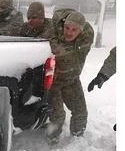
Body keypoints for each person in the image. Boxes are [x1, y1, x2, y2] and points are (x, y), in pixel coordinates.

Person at [40, 9, 95, 142]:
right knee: (58, 116)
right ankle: (51, 141)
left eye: (74, 29)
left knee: (80, 112)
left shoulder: (87, 35)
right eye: (67, 28)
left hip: (72, 80)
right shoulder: (52, 36)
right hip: (54, 82)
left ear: (81, 31)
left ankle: (77, 139)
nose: (69, 32)